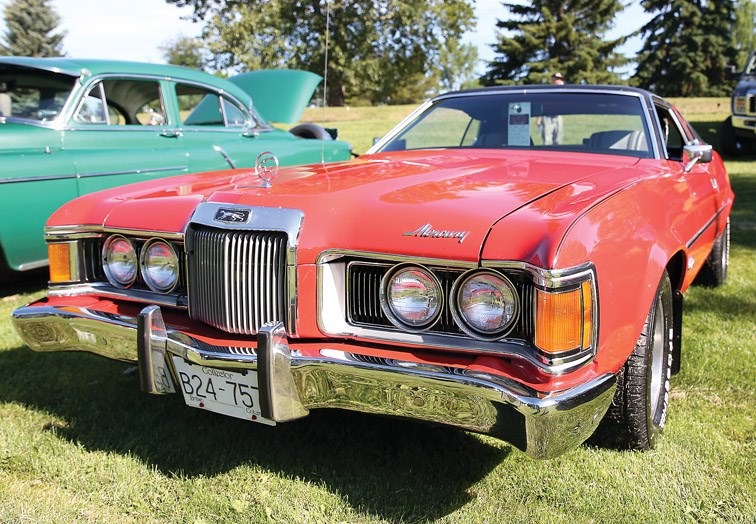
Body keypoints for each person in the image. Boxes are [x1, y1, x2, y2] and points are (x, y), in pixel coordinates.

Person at [540, 72, 565, 145]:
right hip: (547, 116)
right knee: (547, 141)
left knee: (558, 140)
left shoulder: (564, 90)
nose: (558, 81)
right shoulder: (547, 90)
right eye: (556, 79)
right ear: (552, 79)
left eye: (560, 79)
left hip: (558, 116)